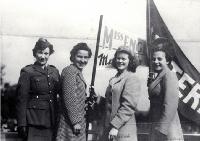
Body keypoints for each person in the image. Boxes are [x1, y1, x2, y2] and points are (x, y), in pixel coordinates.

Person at [16, 38, 60, 141]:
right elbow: (21, 100)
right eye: (40, 53)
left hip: (51, 121)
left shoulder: (54, 71)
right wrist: (22, 124)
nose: (43, 56)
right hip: (34, 120)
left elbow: (60, 92)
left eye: (46, 53)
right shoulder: (27, 72)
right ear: (35, 53)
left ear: (50, 54)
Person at [99, 46, 141, 141]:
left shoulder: (132, 78)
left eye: (123, 59)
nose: (120, 61)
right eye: (118, 58)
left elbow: (128, 106)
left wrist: (115, 126)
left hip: (123, 128)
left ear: (130, 61)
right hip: (108, 127)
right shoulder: (114, 79)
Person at [148, 37, 184, 141]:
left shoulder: (169, 76)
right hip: (157, 127)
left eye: (160, 59)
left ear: (167, 60)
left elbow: (170, 105)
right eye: (153, 59)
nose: (155, 62)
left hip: (167, 130)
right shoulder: (159, 76)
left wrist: (162, 130)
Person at [56, 42, 92, 141]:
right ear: (73, 56)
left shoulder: (77, 72)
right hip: (69, 122)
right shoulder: (70, 71)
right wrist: (75, 121)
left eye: (86, 57)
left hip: (77, 121)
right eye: (79, 57)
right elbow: (69, 97)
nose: (83, 60)